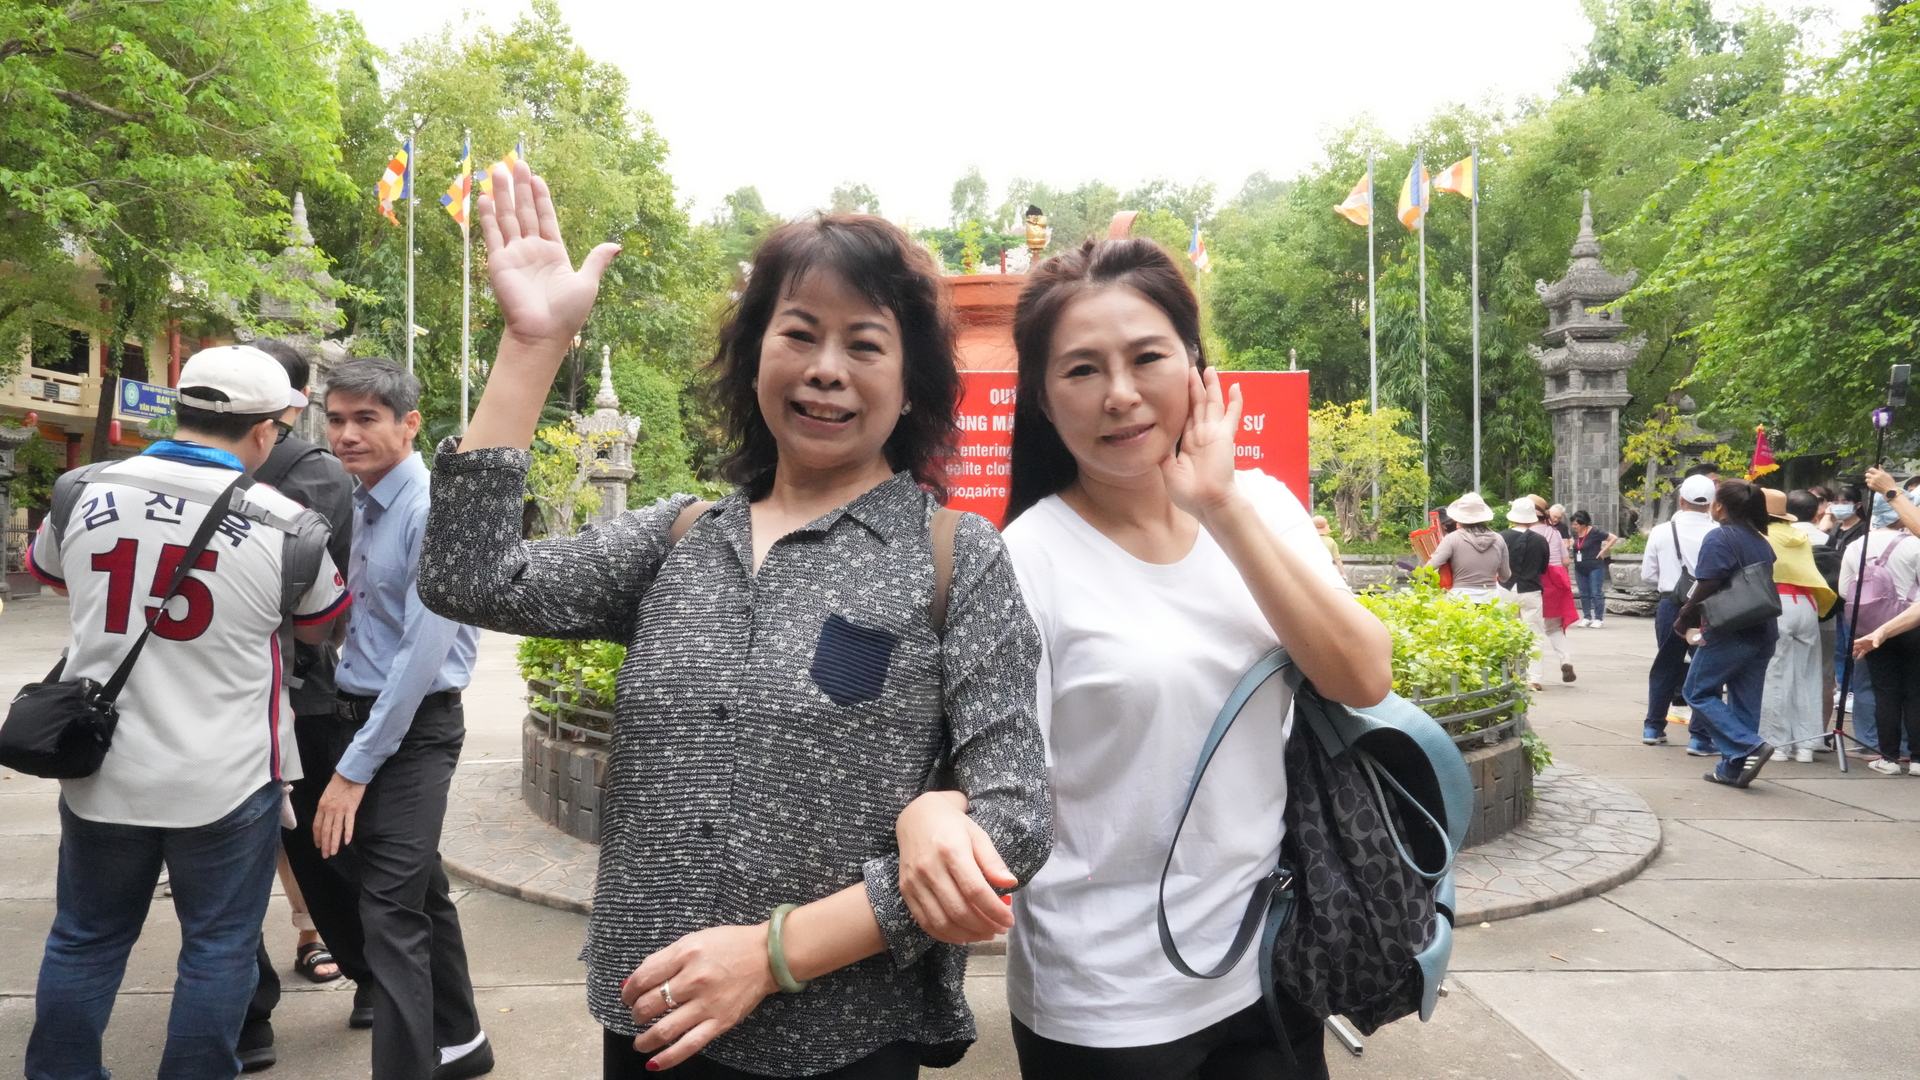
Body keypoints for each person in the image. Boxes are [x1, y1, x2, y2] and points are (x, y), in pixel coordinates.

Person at [417, 162, 1051, 1078]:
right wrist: (532, 344)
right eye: (799, 333)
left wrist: (772, 954)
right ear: (757, 357)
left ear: (912, 383)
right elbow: (470, 578)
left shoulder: (955, 558)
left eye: (865, 344)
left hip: (841, 1041)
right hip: (652, 1022)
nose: (826, 368)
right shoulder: (676, 540)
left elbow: (1014, 820)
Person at [895, 237, 1390, 1079]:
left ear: (1195, 365)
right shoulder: (1025, 562)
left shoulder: (1260, 504)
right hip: (1106, 1002)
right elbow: (990, 778)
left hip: (1268, 963)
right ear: (1043, 399)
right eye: (1082, 370)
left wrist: (1221, 507)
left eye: (1147, 357)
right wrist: (929, 814)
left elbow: (1362, 674)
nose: (1120, 394)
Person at [22, 345, 349, 1079]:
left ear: (182, 410)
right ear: (264, 431)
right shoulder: (290, 526)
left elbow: (50, 575)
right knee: (219, 947)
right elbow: (320, 626)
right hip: (227, 779)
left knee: (84, 938)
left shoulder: (80, 492)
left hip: (100, 768)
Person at [313, 357, 489, 1080]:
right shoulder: (362, 501)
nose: (347, 435)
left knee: (388, 912)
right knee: (417, 890)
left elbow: (421, 656)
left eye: (366, 419)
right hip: (358, 715)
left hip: (414, 728)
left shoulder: (429, 510)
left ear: (410, 423)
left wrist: (353, 770)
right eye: (336, 419)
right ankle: (464, 1040)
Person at [245, 340, 376, 1054]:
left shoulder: (312, 471)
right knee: (233, 858)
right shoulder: (190, 471)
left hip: (297, 691)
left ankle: (365, 971)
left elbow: (316, 591)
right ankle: (249, 1007)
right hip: (235, 693)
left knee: (322, 846)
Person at [1676, 481, 1779, 788]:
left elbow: (1707, 584)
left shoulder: (1719, 537)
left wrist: (1685, 616)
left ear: (1719, 505)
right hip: (1763, 629)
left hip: (1730, 628)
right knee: (1745, 702)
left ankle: (1749, 745)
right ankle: (1732, 769)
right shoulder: (1760, 540)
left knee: (1697, 691)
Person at [1839, 470, 1920, 774]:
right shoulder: (1914, 545)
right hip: (1912, 622)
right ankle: (1917, 758)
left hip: (1872, 627)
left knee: (1883, 691)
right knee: (1915, 691)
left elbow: (1844, 590)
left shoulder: (1856, 545)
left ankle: (1887, 757)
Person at [1758, 489, 1836, 763]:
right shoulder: (1800, 537)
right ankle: (1805, 746)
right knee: (1807, 675)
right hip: (1807, 605)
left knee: (1775, 674)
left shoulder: (1762, 536)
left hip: (1776, 603)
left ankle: (1776, 744)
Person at [1514, 498, 1575, 681]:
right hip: (1556, 582)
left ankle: (1527, 672)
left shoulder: (1525, 535)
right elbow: (1565, 561)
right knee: (1554, 628)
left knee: (1528, 628)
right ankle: (1565, 659)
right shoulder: (1554, 532)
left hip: (1533, 583)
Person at [1501, 501, 1555, 692]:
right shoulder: (1540, 540)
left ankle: (1508, 675)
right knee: (1534, 635)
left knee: (1507, 634)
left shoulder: (1501, 537)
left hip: (1505, 589)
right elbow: (1543, 567)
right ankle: (1533, 678)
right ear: (1532, 519)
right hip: (1531, 590)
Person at [1427, 493, 1509, 602]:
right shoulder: (1499, 539)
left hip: (1460, 598)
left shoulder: (1452, 538)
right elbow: (1505, 576)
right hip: (1491, 598)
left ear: (1459, 517)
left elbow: (1431, 567)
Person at [1569, 510, 1618, 628]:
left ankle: (1598, 618)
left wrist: (1603, 551)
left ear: (1583, 523)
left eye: (1576, 524)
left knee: (1596, 593)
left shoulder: (1595, 532)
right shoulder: (1575, 534)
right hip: (1580, 567)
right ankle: (1587, 617)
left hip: (1595, 566)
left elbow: (1613, 538)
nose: (1574, 527)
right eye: (1573, 524)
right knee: (1583, 593)